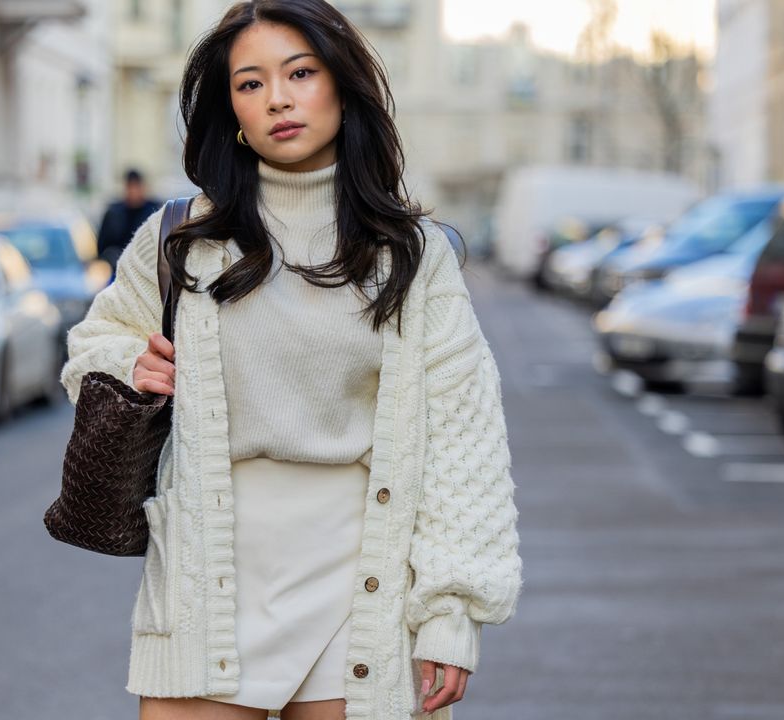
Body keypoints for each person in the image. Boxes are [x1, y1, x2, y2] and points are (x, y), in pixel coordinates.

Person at [60, 2, 522, 719]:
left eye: (300, 73)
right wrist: (130, 365)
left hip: (360, 589)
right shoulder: (183, 238)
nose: (276, 97)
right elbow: (98, 340)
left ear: (342, 84)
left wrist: (451, 611)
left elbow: (464, 435)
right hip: (207, 580)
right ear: (232, 110)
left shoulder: (412, 253)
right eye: (250, 83)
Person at [98, 169, 162, 277]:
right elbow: (102, 244)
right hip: (117, 268)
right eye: (130, 187)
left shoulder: (153, 211)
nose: (133, 191)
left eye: (136, 186)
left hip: (146, 267)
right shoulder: (114, 213)